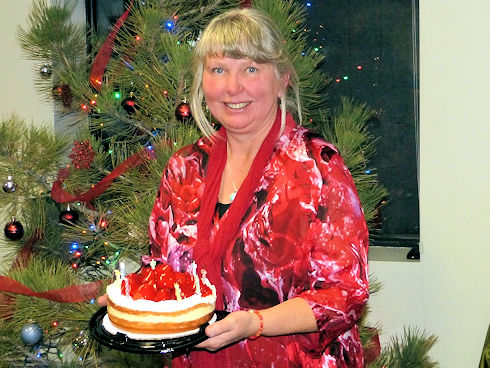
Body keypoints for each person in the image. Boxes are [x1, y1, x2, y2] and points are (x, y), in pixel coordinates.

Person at [143, 7, 368, 367]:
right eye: (219, 70)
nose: (233, 87)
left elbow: (344, 295)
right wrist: (135, 301)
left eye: (250, 69)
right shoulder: (184, 169)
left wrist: (256, 323)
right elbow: (165, 270)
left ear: (282, 79)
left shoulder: (318, 169)